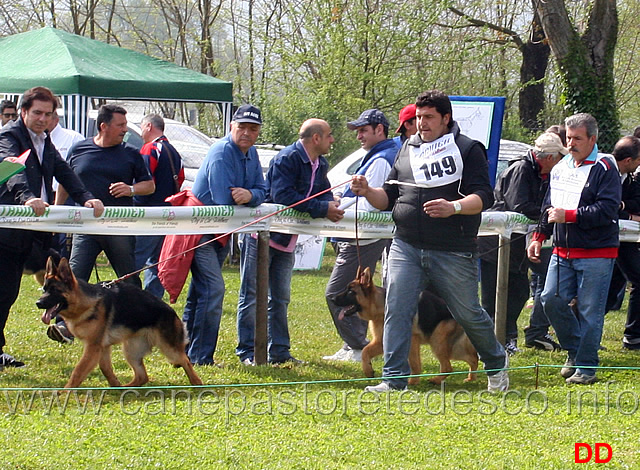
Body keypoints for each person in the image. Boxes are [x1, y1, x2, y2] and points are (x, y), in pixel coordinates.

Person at [351, 90, 509, 392]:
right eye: (418, 117)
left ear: (446, 118)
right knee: (396, 309)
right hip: (405, 244)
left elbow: (484, 197)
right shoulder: (407, 149)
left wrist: (454, 207)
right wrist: (368, 191)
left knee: (468, 313)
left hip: (453, 248)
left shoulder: (467, 149)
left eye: (428, 117)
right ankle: (394, 379)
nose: (421, 123)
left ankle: (496, 364)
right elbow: (389, 198)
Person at [0, 86, 103, 367]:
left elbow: (65, 173)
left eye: (48, 114)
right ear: (23, 112)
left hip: (35, 231)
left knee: (60, 273)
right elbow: (12, 169)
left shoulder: (44, 140)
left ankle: (63, 324)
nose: (43, 119)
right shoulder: (9, 136)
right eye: (37, 113)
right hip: (7, 232)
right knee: (5, 291)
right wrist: (28, 197)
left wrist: (87, 198)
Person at [236, 119, 343, 365]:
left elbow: (322, 191)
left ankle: (279, 352)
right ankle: (247, 352)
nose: (332, 139)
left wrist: (331, 202)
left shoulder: (321, 162)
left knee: (281, 298)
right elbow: (285, 197)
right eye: (328, 135)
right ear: (316, 138)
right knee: (251, 296)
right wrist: (321, 208)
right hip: (261, 237)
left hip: (287, 239)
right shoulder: (287, 159)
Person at [528, 113, 621, 385]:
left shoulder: (605, 167)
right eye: (568, 138)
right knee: (550, 300)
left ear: (593, 139)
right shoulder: (561, 167)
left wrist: (569, 216)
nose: (571, 143)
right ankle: (576, 351)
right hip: (562, 251)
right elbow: (549, 205)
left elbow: (607, 210)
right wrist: (539, 235)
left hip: (597, 253)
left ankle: (587, 368)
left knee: (590, 312)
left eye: (577, 138)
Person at [49, 104, 154, 343]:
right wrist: (58, 212)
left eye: (126, 126)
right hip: (85, 227)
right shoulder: (80, 148)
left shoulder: (131, 153)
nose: (125, 131)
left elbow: (150, 185)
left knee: (128, 279)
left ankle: (138, 324)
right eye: (120, 125)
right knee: (74, 277)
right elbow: (66, 181)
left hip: (119, 227)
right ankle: (64, 326)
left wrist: (130, 189)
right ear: (104, 126)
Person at [185, 104, 267, 366]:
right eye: (241, 127)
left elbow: (262, 189)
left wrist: (250, 195)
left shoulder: (252, 153)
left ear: (258, 133)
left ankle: (185, 349)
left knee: (201, 292)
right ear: (231, 127)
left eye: (252, 129)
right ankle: (200, 357)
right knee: (214, 290)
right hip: (201, 230)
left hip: (221, 232)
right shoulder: (221, 152)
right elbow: (223, 199)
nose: (246, 133)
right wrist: (249, 195)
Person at [479, 132, 566, 354]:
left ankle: (507, 338)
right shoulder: (521, 170)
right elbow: (519, 206)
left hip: (516, 243)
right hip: (495, 242)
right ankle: (490, 344)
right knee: (493, 296)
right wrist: (549, 214)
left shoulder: (541, 173)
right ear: (547, 157)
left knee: (518, 291)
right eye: (558, 157)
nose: (560, 163)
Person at [323, 109, 397, 362]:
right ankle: (354, 345)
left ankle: (358, 346)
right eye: (357, 131)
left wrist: (338, 207)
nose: (359, 136)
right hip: (361, 236)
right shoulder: (377, 156)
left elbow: (371, 205)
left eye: (363, 130)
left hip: (364, 237)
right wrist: (340, 201)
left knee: (337, 293)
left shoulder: (380, 160)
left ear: (380, 130)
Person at [134, 114, 184, 299]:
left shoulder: (150, 148)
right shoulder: (174, 152)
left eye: (141, 127)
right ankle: (152, 301)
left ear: (148, 126)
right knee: (157, 262)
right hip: (168, 214)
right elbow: (181, 179)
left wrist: (137, 208)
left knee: (135, 262)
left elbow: (144, 181)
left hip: (148, 214)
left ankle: (127, 298)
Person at [605, 136, 640, 350]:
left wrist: (623, 207)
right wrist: (628, 214)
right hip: (601, 238)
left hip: (622, 239)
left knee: (612, 287)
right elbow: (606, 205)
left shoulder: (628, 177)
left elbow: (635, 202)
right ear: (628, 160)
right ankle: (634, 335)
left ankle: (633, 335)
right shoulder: (602, 172)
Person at [48, 109, 85, 258]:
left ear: (56, 119)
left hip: (66, 195)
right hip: (43, 196)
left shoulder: (73, 138)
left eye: (47, 116)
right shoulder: (35, 139)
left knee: (63, 240)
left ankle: (63, 273)